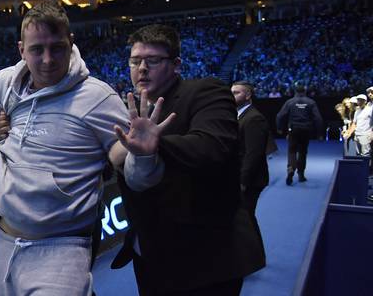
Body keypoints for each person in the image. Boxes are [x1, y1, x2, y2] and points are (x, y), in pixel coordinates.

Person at [0, 1, 130, 295]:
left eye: (57, 47)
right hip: (4, 241)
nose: (47, 59)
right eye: (36, 49)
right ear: (21, 50)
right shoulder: (2, 85)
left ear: (71, 44)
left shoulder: (98, 97)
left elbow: (130, 167)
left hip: (61, 249)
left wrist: (140, 157)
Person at [111, 24, 265, 296]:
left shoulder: (208, 91)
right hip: (149, 253)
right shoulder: (129, 109)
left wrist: (153, 146)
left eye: (153, 60)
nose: (142, 68)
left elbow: (212, 145)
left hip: (206, 257)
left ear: (176, 64)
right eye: (135, 61)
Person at [231, 80, 269, 257]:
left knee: (245, 218)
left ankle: (254, 257)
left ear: (248, 95)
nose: (232, 96)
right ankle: (252, 256)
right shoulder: (238, 115)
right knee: (244, 218)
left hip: (250, 179)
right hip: (241, 176)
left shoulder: (254, 118)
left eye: (236, 93)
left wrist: (243, 182)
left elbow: (253, 154)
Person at [276, 81, 323, 185]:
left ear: (295, 91)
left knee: (292, 151)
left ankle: (290, 169)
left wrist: (279, 128)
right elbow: (318, 119)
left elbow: (280, 116)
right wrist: (319, 133)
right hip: (306, 130)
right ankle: (301, 174)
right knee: (302, 151)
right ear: (305, 91)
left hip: (293, 129)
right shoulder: (311, 102)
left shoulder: (290, 102)